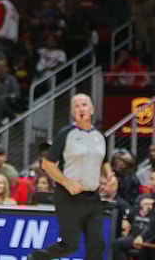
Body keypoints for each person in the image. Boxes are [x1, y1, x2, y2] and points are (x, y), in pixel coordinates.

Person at [29, 94, 115, 260]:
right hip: (68, 198)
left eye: (84, 105)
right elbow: (47, 164)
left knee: (97, 245)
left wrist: (111, 177)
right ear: (72, 111)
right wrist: (66, 182)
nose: (81, 109)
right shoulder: (66, 134)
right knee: (69, 245)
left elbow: (104, 161)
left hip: (93, 198)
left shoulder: (100, 137)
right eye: (77, 106)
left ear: (92, 109)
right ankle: (35, 258)